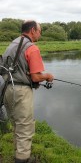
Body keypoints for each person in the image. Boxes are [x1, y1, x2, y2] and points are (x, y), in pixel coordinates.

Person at [2, 20, 54, 163]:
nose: (40, 34)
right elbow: (36, 76)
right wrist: (48, 76)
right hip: (21, 92)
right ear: (32, 30)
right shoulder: (32, 48)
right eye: (39, 31)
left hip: (6, 88)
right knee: (25, 127)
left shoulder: (13, 43)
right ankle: (22, 159)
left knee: (16, 124)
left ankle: (19, 153)